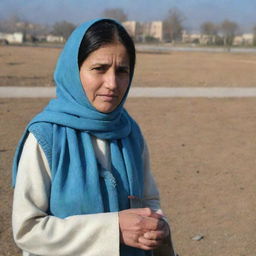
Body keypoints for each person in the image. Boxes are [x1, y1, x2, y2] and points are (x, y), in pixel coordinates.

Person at [12, 18, 176, 256]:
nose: (112, 84)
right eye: (99, 69)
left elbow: (149, 201)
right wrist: (112, 229)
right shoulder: (46, 136)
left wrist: (157, 227)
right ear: (74, 70)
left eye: (122, 71)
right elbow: (27, 230)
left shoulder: (130, 132)